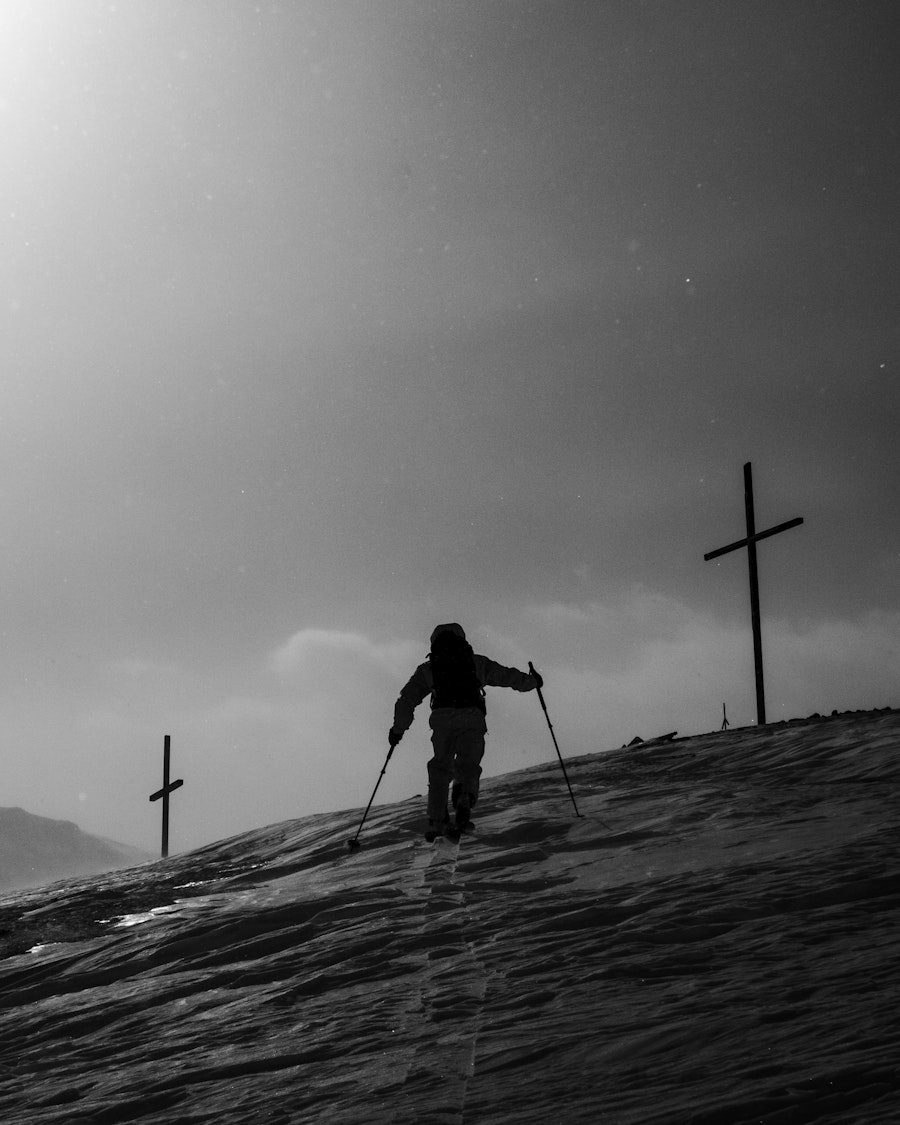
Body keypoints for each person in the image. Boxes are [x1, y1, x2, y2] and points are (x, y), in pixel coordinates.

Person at [388, 623, 542, 839]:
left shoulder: (428, 669)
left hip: (442, 720)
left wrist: (398, 730)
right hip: (472, 717)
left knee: (441, 766)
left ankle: (437, 817)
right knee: (468, 765)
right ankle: (464, 797)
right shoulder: (476, 662)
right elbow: (507, 676)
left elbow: (406, 700)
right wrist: (533, 682)